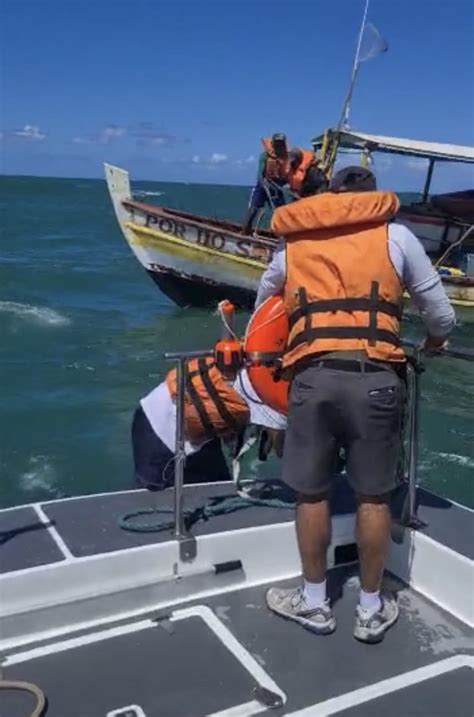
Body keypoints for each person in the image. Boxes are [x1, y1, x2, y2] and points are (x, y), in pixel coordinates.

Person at [256, 166, 456, 643]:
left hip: (311, 379)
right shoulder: (397, 236)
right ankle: (369, 610)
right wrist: (430, 343)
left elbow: (264, 304)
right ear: (373, 198)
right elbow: (442, 316)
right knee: (373, 496)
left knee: (311, 494)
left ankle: (314, 602)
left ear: (329, 197)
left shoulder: (295, 246)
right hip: (376, 381)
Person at [132, 358, 286, 491]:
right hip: (159, 427)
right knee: (158, 506)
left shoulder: (263, 358)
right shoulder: (272, 389)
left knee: (217, 490)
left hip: (200, 426)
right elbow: (283, 451)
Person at [242, 133, 290, 235]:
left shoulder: (286, 158)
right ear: (273, 143)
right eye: (277, 143)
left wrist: (284, 184)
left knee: (282, 211)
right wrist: (264, 184)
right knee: (253, 208)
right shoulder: (265, 156)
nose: (279, 146)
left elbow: (286, 177)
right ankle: (245, 231)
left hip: (276, 188)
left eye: (281, 143)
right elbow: (260, 174)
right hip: (262, 186)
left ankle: (282, 234)